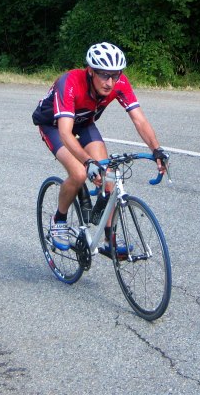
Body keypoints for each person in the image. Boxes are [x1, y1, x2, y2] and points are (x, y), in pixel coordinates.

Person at [32, 41, 168, 257]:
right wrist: (88, 162)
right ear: (90, 71)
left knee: (110, 177)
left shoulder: (119, 83)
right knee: (78, 173)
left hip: (83, 122)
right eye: (104, 75)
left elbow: (139, 120)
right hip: (54, 125)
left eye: (115, 75)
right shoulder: (69, 82)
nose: (110, 82)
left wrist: (157, 150)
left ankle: (109, 238)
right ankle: (59, 219)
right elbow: (66, 133)